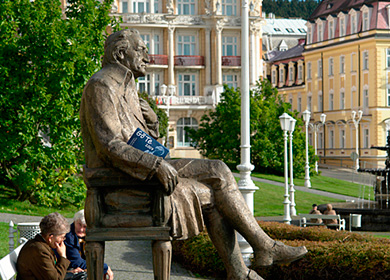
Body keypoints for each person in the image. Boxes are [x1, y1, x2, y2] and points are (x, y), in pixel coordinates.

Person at [80, 29, 307, 280]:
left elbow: (142, 142)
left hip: (141, 172)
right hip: (118, 181)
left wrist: (153, 124)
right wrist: (155, 165)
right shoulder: (101, 86)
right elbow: (110, 145)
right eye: (142, 50)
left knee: (218, 170)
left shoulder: (127, 86)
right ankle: (244, 268)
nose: (149, 57)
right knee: (211, 193)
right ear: (121, 54)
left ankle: (260, 250)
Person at [16, 212, 75, 280]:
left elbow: (50, 272)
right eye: (62, 237)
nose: (62, 240)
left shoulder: (41, 245)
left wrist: (70, 272)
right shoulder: (39, 250)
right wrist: (63, 256)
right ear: (50, 238)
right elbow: (56, 279)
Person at [65, 210, 114, 280]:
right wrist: (104, 267)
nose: (81, 229)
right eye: (79, 224)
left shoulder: (92, 234)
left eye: (85, 226)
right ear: (74, 221)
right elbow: (77, 262)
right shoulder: (68, 236)